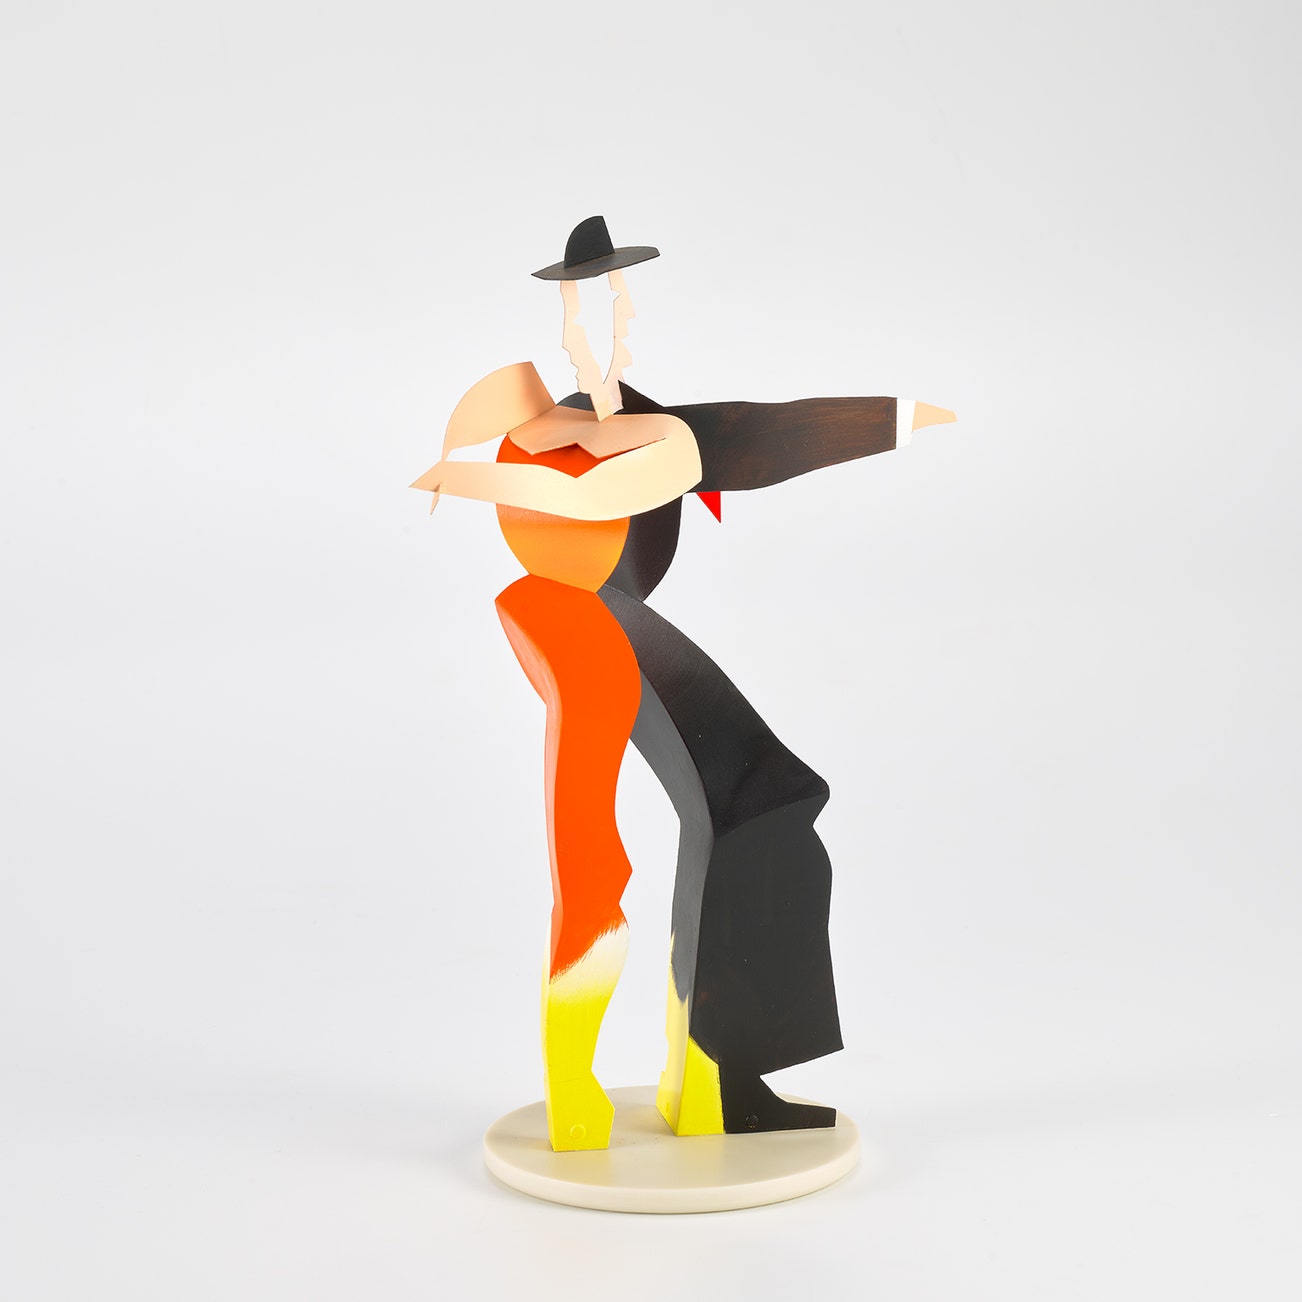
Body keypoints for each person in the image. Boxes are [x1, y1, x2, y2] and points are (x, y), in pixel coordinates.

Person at [413, 216, 955, 1150]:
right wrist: (482, 457)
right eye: (589, 303)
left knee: (762, 800)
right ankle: (607, 1089)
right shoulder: (543, 418)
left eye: (619, 298)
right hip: (572, 621)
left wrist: (891, 420)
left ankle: (706, 1081)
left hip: (599, 618)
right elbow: (563, 467)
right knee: (610, 860)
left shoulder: (660, 433)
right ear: (564, 319)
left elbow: (739, 445)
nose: (610, 321)